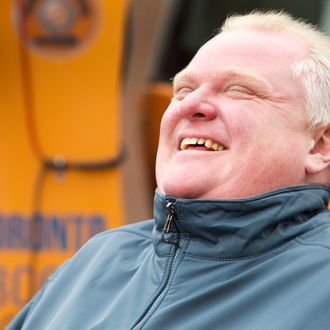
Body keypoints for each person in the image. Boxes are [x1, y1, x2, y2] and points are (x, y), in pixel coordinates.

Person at [7, 10, 330, 330]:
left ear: (319, 146)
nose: (189, 106)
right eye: (184, 90)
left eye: (238, 90)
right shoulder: (98, 258)